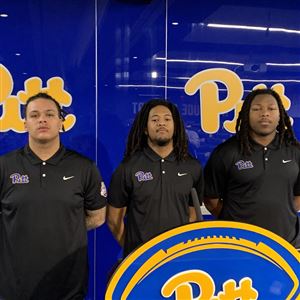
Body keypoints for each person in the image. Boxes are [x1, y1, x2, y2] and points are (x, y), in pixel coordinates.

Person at [0, 92, 107, 300]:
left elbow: (98, 217)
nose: (42, 119)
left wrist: (62, 227)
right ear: (25, 124)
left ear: (61, 122)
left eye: (50, 114)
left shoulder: (84, 167)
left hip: (68, 288)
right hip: (14, 288)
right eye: (34, 115)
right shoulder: (4, 166)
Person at [204, 88, 300, 249]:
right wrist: (233, 221)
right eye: (256, 109)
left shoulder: (295, 151)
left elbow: (298, 196)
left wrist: (282, 212)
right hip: (240, 247)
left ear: (280, 115)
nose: (264, 113)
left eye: (271, 108)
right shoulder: (226, 152)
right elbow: (210, 200)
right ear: (247, 114)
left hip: (287, 246)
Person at [107, 99, 203, 258]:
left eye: (167, 119)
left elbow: (192, 215)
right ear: (145, 128)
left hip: (179, 258)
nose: (161, 123)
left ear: (175, 126)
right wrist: (134, 251)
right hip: (141, 262)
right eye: (155, 120)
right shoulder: (128, 167)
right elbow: (113, 219)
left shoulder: (193, 167)